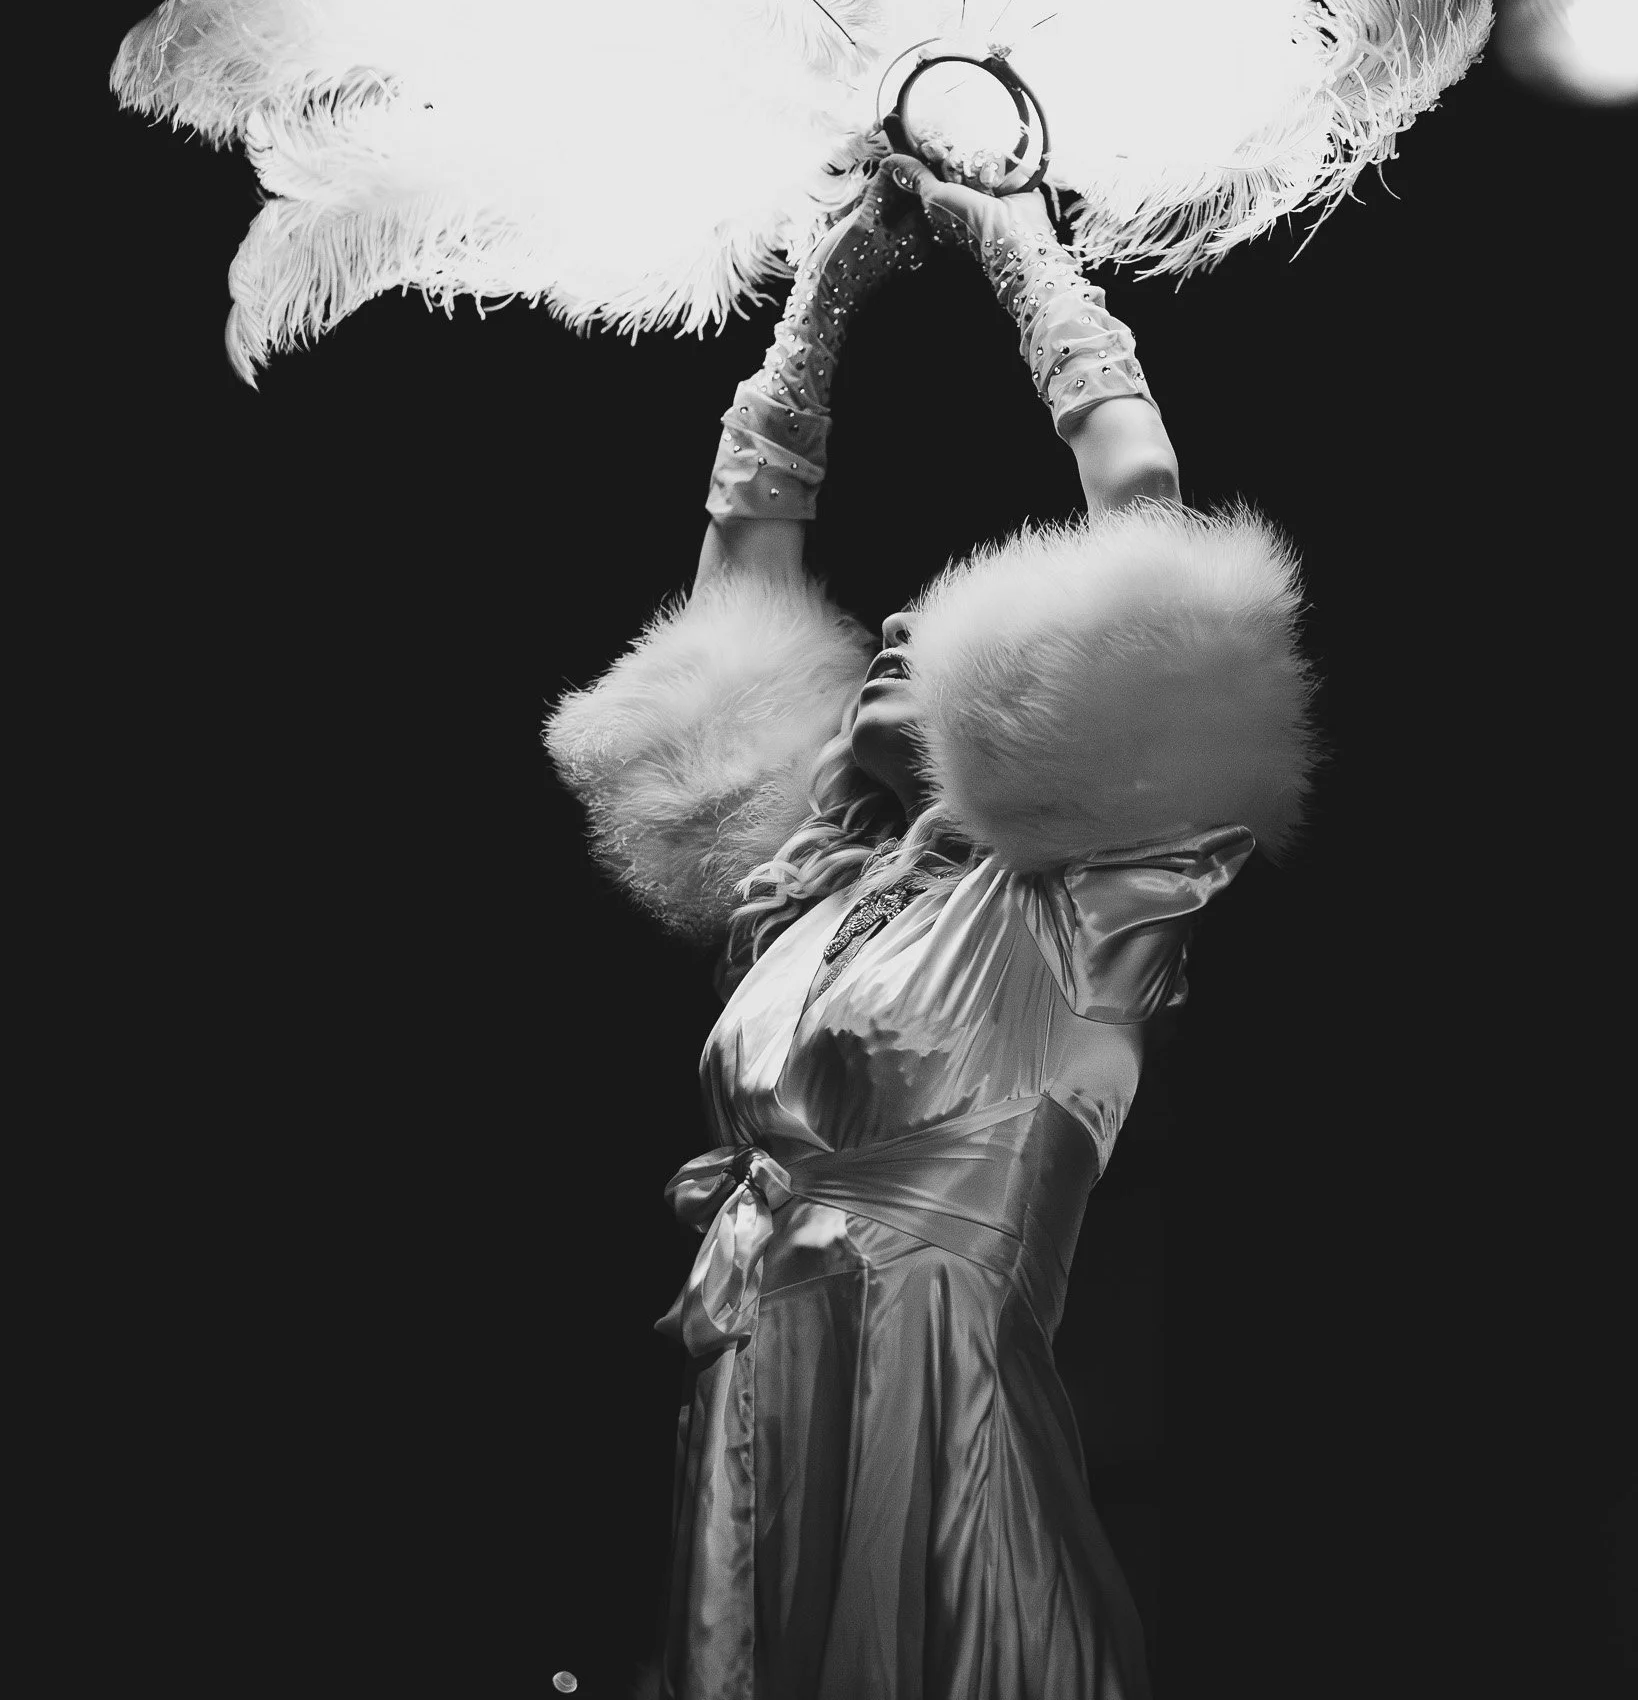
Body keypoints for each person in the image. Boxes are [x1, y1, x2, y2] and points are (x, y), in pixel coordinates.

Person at [546, 152, 1317, 1700]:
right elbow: (733, 596)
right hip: (753, 1405)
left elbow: (1146, 530)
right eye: (882, 639)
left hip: (933, 1387)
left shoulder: (1070, 903)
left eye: (929, 636)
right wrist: (822, 294)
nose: (900, 631)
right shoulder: (795, 916)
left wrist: (1017, 246)